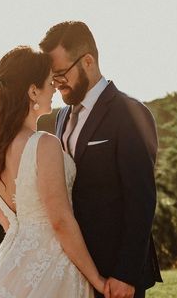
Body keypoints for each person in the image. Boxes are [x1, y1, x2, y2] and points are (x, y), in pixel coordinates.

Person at [0, 46, 103, 298]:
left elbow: (5, 221)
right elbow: (60, 221)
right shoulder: (43, 144)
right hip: (55, 267)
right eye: (50, 82)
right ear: (33, 90)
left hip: (11, 267)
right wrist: (97, 280)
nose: (55, 91)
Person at [39, 21, 162, 298]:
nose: (57, 85)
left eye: (61, 74)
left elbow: (142, 200)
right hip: (73, 269)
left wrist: (125, 273)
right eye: (53, 77)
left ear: (88, 61)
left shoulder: (130, 113)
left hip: (114, 274)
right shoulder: (60, 117)